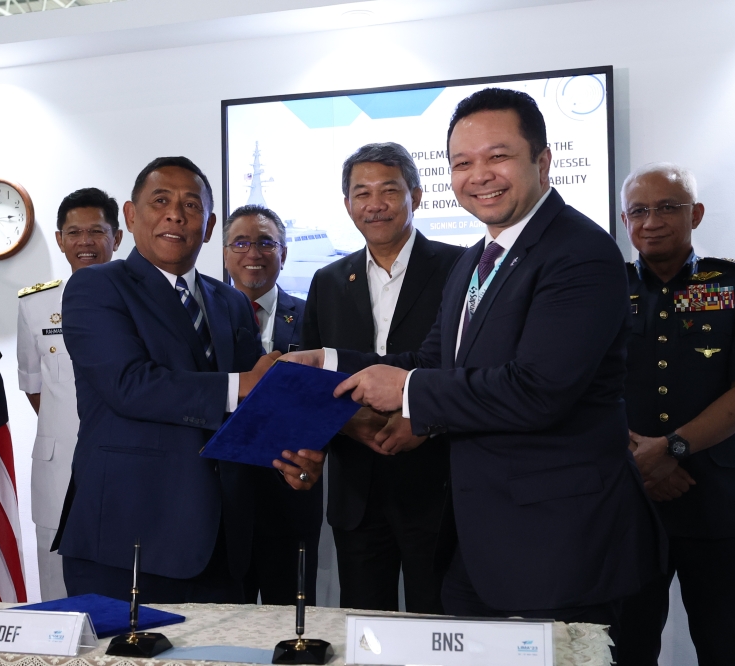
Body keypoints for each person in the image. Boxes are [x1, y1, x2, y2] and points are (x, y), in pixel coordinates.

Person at [285, 89, 664, 634]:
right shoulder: (475, 261)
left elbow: (537, 390)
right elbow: (432, 359)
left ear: (542, 161)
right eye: (462, 163)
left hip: (558, 542)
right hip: (479, 541)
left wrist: (407, 391)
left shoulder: (580, 251)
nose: (479, 175)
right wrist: (327, 360)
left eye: (498, 156)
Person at [55, 157, 325, 603]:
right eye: (160, 201)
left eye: (191, 206)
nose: (176, 215)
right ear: (130, 215)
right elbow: (130, 385)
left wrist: (292, 459)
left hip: (224, 542)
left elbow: (257, 408)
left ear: (209, 225)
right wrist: (241, 383)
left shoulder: (230, 302)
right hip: (130, 538)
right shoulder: (96, 287)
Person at [616, 164, 735, 666]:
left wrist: (671, 449)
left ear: (696, 214)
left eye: (668, 207)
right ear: (625, 221)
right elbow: (580, 388)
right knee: (624, 646)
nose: (652, 222)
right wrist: (639, 456)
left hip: (714, 495)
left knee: (725, 643)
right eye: (639, 211)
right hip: (628, 495)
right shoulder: (603, 288)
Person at [301, 142, 463, 613]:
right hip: (357, 490)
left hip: (438, 485)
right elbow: (312, 379)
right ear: (347, 204)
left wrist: (426, 420)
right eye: (362, 193)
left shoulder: (460, 267)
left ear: (416, 195)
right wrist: (347, 423)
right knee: (363, 627)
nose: (375, 204)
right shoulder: (328, 280)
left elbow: (469, 367)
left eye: (389, 190)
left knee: (438, 625)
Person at [17, 187, 123, 601]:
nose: (85, 242)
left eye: (97, 231)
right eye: (74, 233)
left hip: (125, 467)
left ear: (117, 238)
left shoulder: (142, 301)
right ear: (60, 240)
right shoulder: (35, 304)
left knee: (126, 593)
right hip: (58, 469)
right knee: (58, 594)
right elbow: (35, 387)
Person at [222, 204, 321, 605]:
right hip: (222, 502)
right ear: (225, 252)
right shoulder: (202, 319)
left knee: (293, 617)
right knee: (226, 622)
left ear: (284, 253)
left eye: (266, 242)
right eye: (240, 242)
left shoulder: (313, 316)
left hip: (292, 492)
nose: (253, 253)